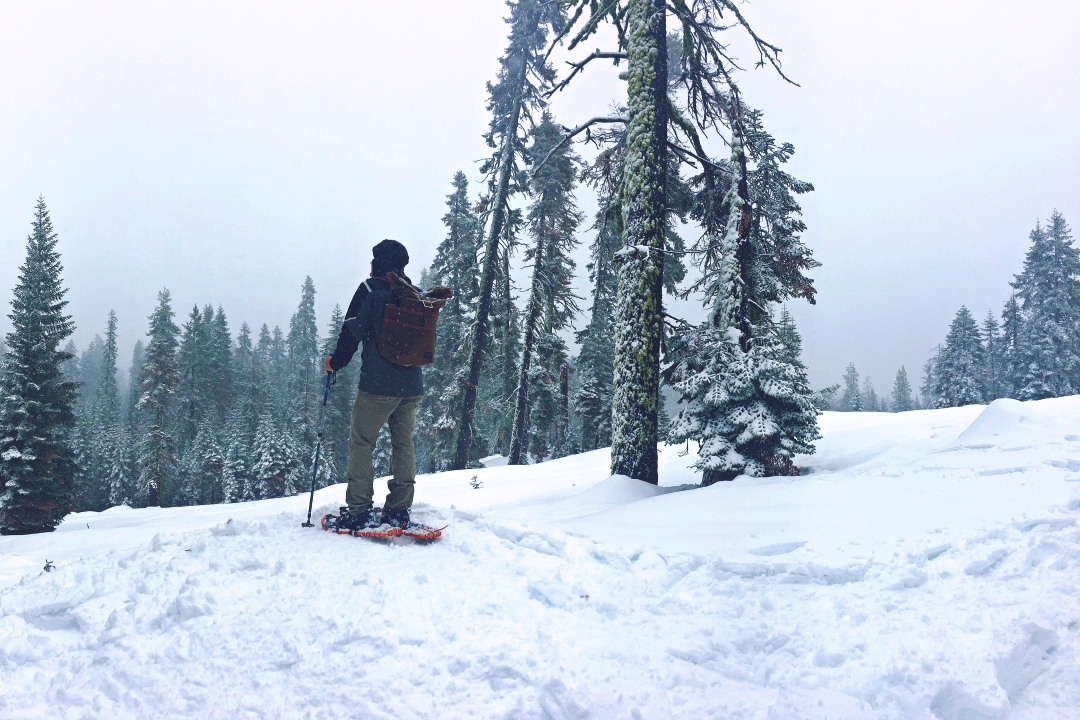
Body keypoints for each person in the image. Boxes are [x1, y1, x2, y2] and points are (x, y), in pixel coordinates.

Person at [325, 239, 423, 532]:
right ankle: (398, 510)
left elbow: (350, 333)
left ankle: (359, 510)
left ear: (378, 262)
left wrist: (334, 362)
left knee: (361, 443)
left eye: (372, 259)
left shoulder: (370, 290)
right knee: (403, 443)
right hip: (412, 385)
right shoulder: (414, 295)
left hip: (378, 385)